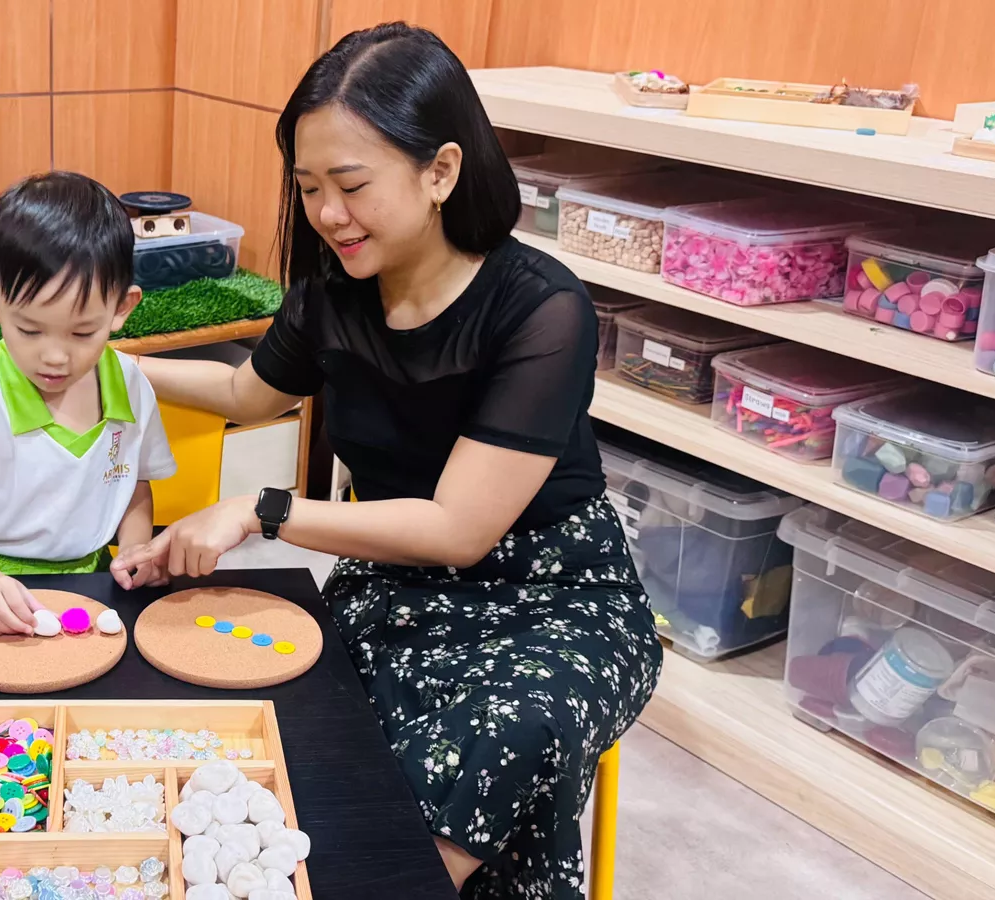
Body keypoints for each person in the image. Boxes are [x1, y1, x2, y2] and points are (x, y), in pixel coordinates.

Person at [112, 23, 662, 899]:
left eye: (352, 185)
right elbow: (250, 393)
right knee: (320, 726)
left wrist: (262, 509)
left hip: (556, 595)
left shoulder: (542, 310)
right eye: (309, 188)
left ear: (440, 171)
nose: (328, 214)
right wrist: (109, 364)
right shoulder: (333, 294)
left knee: (503, 733)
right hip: (394, 580)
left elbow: (458, 530)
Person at [0, 171, 175, 637]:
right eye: (29, 330)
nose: (54, 356)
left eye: (82, 332)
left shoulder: (131, 384)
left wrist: (134, 549)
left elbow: (135, 487)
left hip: (94, 583)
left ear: (122, 308)